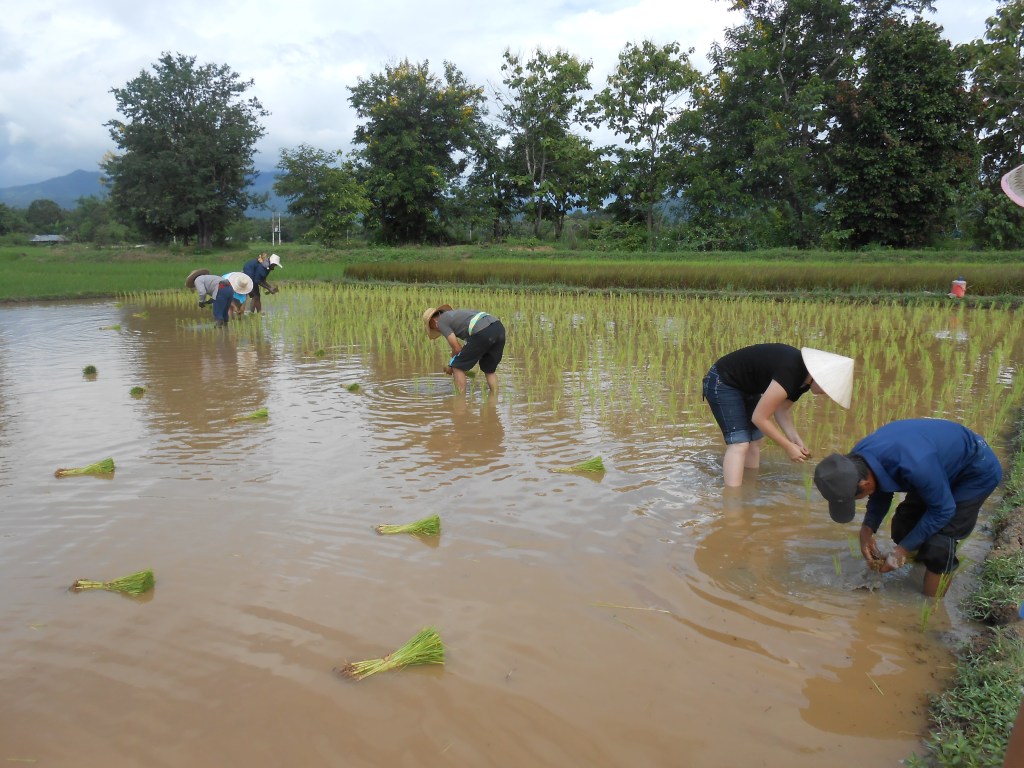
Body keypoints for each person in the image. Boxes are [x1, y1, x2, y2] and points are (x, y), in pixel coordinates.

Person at [813, 418, 1002, 597]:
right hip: (935, 468)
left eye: (858, 497)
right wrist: (867, 530)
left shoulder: (915, 465)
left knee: (940, 544)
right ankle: (921, 565)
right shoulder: (855, 462)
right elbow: (880, 488)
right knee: (904, 525)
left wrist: (901, 551)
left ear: (863, 484)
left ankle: (930, 608)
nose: (863, 498)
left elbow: (943, 510)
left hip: (974, 469)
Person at [702, 344, 854, 487]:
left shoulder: (804, 382)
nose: (825, 394)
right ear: (819, 376)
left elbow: (782, 410)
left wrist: (796, 441)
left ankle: (749, 487)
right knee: (739, 443)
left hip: (745, 387)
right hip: (722, 381)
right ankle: (732, 501)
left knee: (756, 440)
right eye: (827, 388)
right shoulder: (792, 371)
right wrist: (787, 447)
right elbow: (759, 418)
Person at [422, 304, 505, 394]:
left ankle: (460, 400)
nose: (435, 330)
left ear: (433, 321)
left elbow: (457, 348)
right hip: (498, 328)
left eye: (431, 327)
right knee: (489, 370)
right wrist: (454, 362)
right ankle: (494, 399)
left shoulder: (441, 322)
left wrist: (451, 365)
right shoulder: (454, 315)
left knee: (457, 367)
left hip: (482, 332)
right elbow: (460, 349)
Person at [186, 269, 253, 327]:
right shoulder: (208, 277)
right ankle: (226, 330)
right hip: (230, 289)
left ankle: (219, 334)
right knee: (224, 313)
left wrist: (201, 302)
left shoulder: (198, 280)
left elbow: (202, 292)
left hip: (220, 290)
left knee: (218, 313)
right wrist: (211, 300)